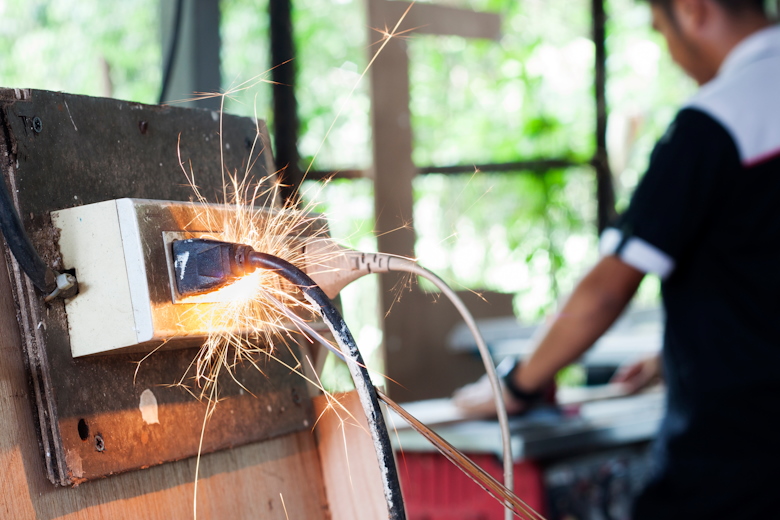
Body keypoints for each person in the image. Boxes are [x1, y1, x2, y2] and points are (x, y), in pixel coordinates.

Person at [453, 0, 780, 518]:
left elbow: (607, 288)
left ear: (692, 10)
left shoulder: (716, 122)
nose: (671, 52)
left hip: (742, 455)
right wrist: (676, 354)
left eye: (660, 31)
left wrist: (519, 384)